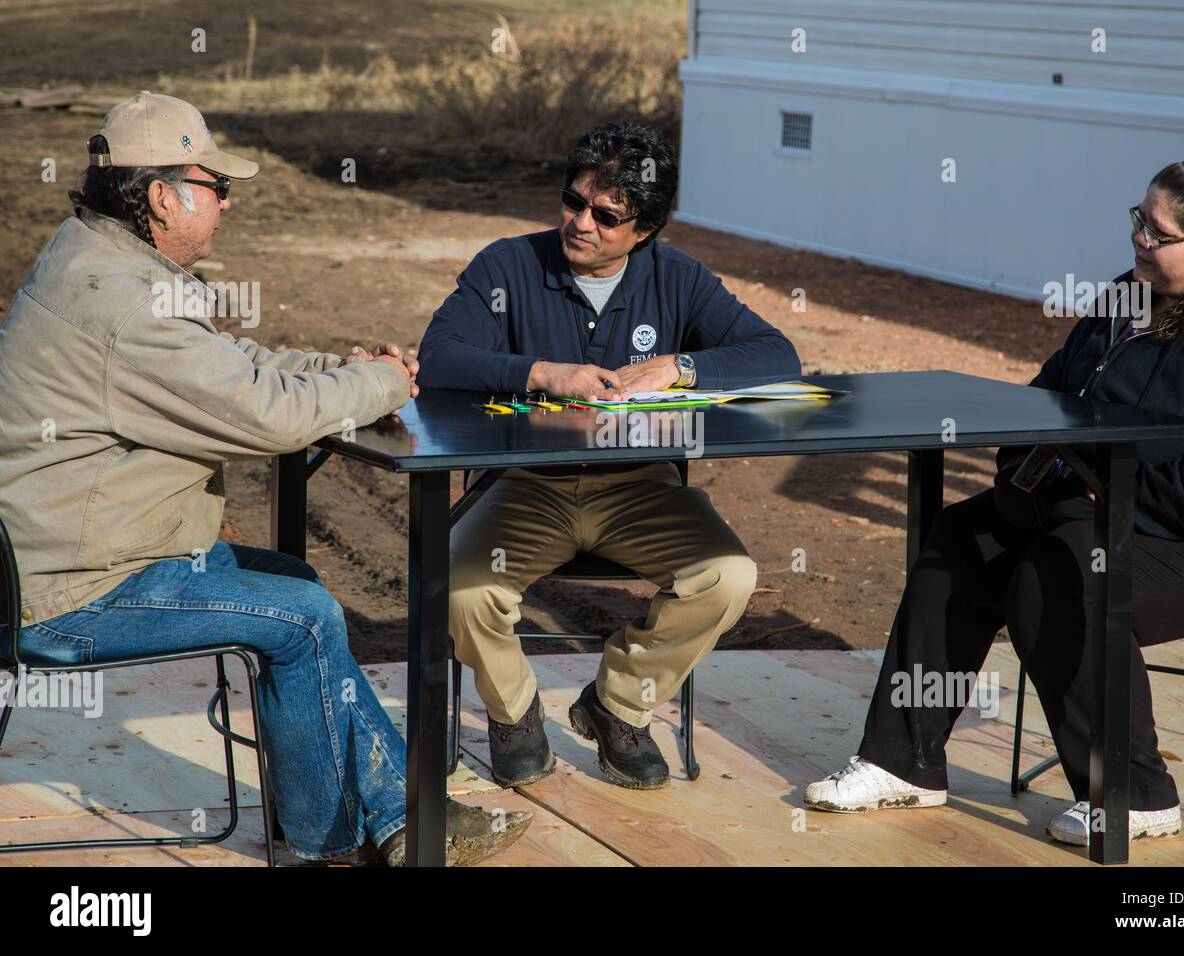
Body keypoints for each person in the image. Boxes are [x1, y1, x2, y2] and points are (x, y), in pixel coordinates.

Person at [0, 91, 530, 866]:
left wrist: (344, 370)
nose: (226, 205)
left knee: (291, 582)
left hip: (72, 553)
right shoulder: (129, 303)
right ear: (159, 196)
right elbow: (267, 418)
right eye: (216, 188)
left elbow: (228, 370)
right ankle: (329, 845)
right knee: (306, 614)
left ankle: (401, 817)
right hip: (72, 591)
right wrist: (382, 384)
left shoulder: (95, 255)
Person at [805, 156, 1184, 846]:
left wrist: (1092, 501)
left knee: (1067, 571)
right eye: (1139, 220)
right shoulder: (1131, 295)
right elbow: (1054, 394)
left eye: (1159, 234)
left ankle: (1133, 793)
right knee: (961, 538)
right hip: (1102, 503)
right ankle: (904, 762)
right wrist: (1031, 468)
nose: (1139, 241)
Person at [417, 120, 800, 790]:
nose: (581, 223)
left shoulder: (678, 277)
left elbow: (778, 357)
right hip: (525, 485)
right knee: (462, 586)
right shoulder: (507, 266)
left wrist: (680, 366)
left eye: (605, 215)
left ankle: (619, 705)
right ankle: (514, 713)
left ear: (645, 229)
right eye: (573, 202)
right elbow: (440, 357)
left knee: (728, 577)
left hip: (640, 488)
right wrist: (540, 373)